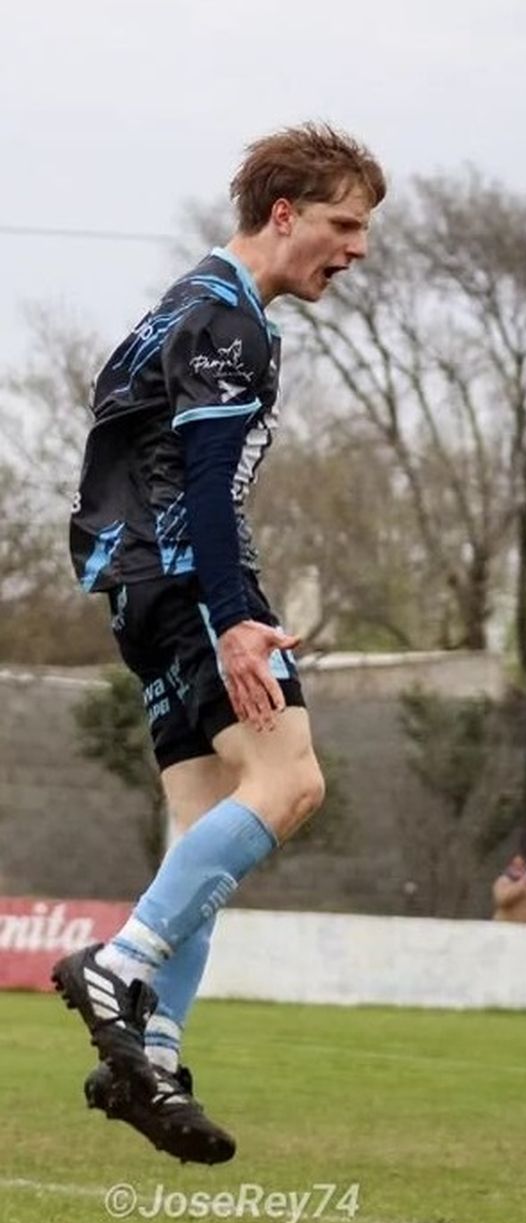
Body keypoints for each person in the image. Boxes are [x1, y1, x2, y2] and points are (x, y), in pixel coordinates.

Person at [55, 123, 386, 1165]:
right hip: (191, 578)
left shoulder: (182, 307)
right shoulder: (228, 318)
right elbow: (203, 478)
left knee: (207, 822)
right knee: (292, 782)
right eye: (344, 224)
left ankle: (149, 1054)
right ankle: (122, 967)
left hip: (142, 588)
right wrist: (235, 614)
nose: (358, 249)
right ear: (283, 213)